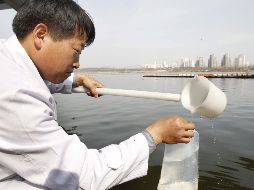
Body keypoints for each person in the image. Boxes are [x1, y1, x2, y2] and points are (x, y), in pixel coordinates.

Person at [0, 0, 195, 189]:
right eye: (77, 50)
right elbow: (83, 174)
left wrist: (76, 80)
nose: (77, 63)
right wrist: (155, 135)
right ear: (41, 35)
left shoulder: (8, 57)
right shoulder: (15, 96)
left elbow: (36, 79)